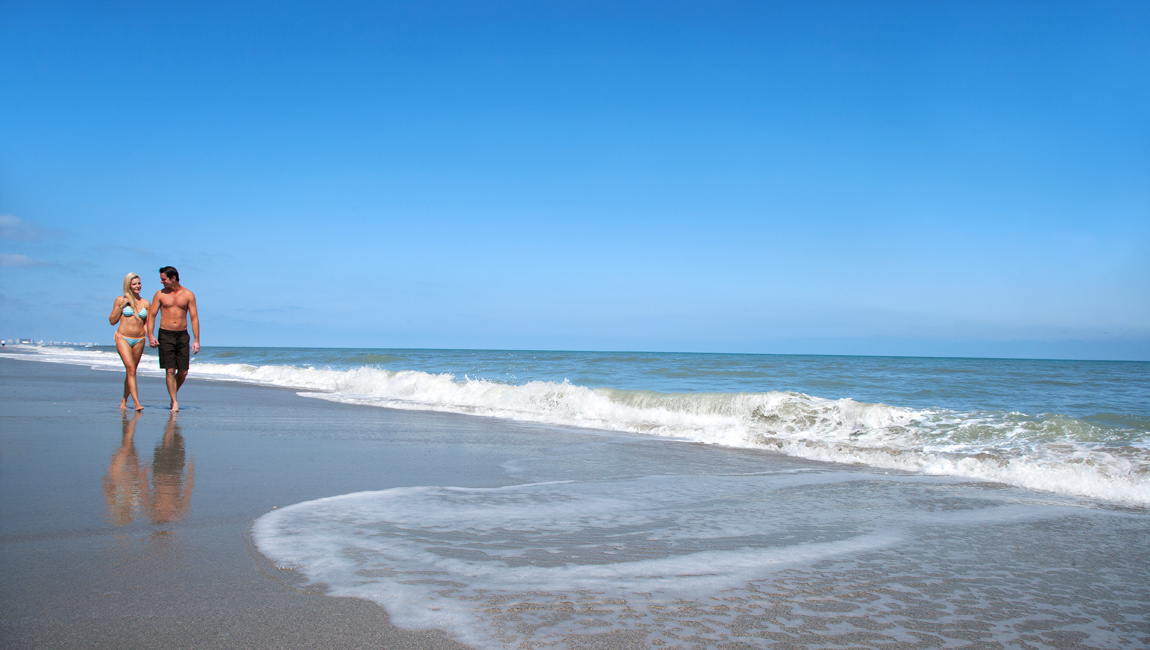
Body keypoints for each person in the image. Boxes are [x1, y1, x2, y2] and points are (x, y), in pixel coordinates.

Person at [146, 266, 199, 412]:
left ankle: (172, 394)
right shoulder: (160, 294)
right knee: (170, 370)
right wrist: (150, 335)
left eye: (164, 279)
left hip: (182, 335)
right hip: (165, 334)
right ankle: (175, 401)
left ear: (173, 278)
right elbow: (151, 315)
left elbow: (194, 318)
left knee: (183, 371)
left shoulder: (188, 294)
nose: (161, 282)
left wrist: (196, 340)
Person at [109, 272, 151, 410]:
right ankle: (137, 403)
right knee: (131, 369)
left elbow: (146, 324)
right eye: (134, 284)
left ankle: (124, 400)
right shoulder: (120, 300)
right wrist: (122, 307)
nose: (137, 286)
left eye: (139, 283)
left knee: (131, 371)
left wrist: (151, 337)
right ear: (128, 285)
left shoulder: (145, 303)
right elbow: (112, 321)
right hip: (123, 338)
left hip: (139, 340)